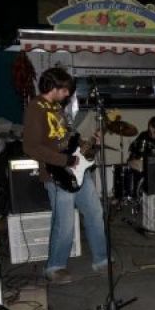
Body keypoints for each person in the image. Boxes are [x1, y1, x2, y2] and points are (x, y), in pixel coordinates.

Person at [23, 67, 108, 284]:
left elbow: (70, 138)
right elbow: (31, 147)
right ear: (53, 87)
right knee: (65, 222)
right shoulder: (35, 108)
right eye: (65, 90)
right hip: (57, 174)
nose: (68, 94)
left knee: (95, 212)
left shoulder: (58, 108)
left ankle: (102, 259)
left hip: (77, 170)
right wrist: (65, 161)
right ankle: (55, 267)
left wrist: (89, 144)